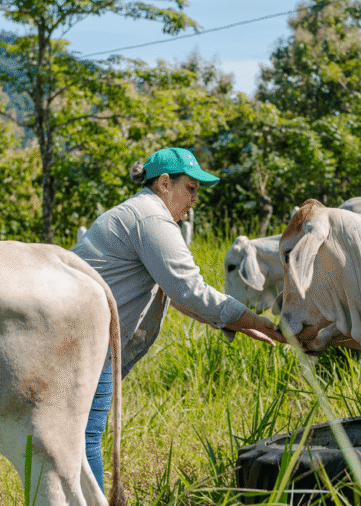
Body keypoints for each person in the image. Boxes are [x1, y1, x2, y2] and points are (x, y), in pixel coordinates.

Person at [72, 147, 284, 491]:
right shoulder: (151, 218)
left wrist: (238, 324)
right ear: (165, 184)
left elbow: (175, 294)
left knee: (78, 437)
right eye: (191, 189)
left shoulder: (138, 214)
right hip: (85, 343)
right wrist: (256, 322)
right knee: (84, 438)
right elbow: (189, 290)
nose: (194, 200)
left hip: (83, 339)